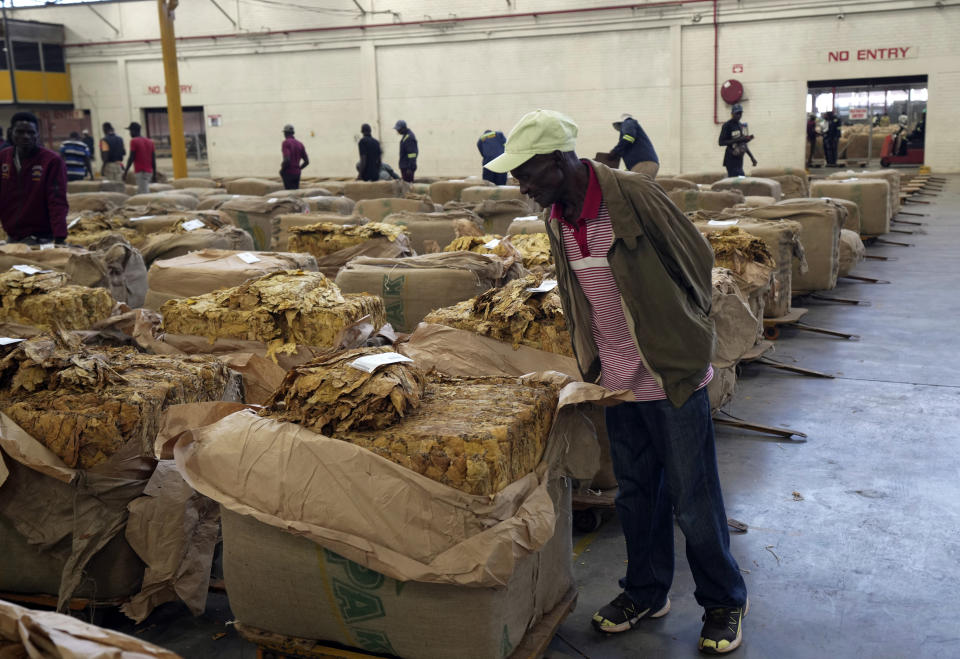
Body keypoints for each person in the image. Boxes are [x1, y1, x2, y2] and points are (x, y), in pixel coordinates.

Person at [485, 109, 748, 655]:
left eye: (528, 172)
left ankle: (723, 601)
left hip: (670, 373)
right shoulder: (558, 215)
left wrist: (685, 334)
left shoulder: (632, 196)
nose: (521, 184)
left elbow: (696, 261)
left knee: (692, 499)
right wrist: (598, 361)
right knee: (635, 494)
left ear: (560, 161)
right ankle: (647, 592)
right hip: (619, 377)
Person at [0, 112, 68, 244]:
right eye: (19, 132)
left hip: (41, 237)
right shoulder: (3, 158)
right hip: (13, 236)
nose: (25, 137)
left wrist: (60, 237)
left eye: (30, 132)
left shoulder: (51, 161)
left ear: (37, 134)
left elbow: (57, 200)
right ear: (11, 133)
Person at [609, 114, 659, 178]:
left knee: (637, 187)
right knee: (640, 187)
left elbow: (629, 137)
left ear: (619, 123)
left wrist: (615, 151)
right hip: (646, 163)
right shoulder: (635, 130)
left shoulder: (628, 122)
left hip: (643, 163)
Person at [718, 104, 756, 177]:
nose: (739, 115)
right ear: (732, 114)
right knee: (739, 178)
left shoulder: (740, 125)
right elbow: (721, 142)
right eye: (737, 113)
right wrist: (738, 139)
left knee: (739, 179)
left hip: (739, 158)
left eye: (740, 114)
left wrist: (752, 157)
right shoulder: (727, 125)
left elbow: (743, 143)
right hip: (730, 158)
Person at [123, 122, 156, 194]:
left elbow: (131, 157)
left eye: (130, 131)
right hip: (149, 172)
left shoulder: (134, 141)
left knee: (144, 193)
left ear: (134, 131)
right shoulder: (150, 141)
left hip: (141, 172)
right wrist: (155, 173)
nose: (130, 133)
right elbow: (153, 159)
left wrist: (125, 172)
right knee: (142, 191)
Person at [280, 124, 309, 190]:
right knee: (296, 193)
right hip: (297, 173)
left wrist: (282, 169)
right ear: (293, 133)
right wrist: (299, 168)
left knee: (288, 193)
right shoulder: (300, 144)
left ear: (285, 133)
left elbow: (287, 159)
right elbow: (307, 161)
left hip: (288, 172)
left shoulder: (286, 143)